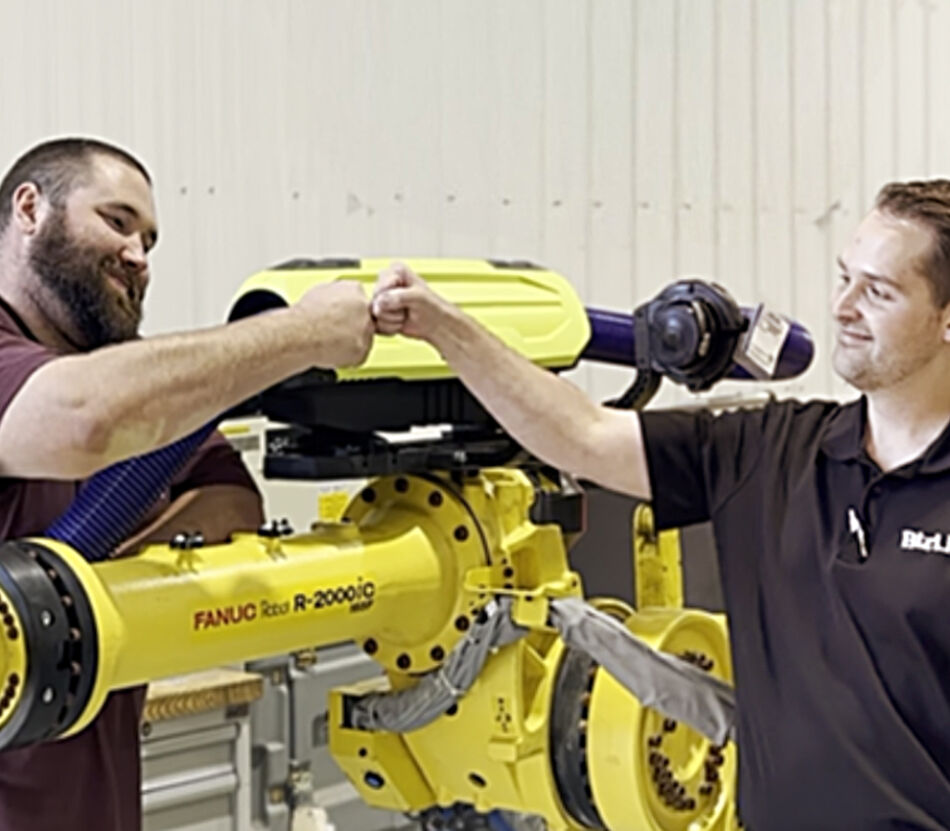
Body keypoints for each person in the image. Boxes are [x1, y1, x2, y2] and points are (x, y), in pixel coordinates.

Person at [371, 181, 950, 830]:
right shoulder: (768, 452)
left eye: (878, 291)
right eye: (844, 277)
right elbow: (583, 435)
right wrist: (447, 330)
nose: (842, 306)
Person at [0, 137, 375, 830]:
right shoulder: (94, 393)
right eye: (117, 221)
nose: (140, 254)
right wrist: (300, 333)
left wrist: (92, 570)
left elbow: (234, 502)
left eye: (150, 239)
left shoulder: (138, 388)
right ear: (30, 208)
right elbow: (79, 420)